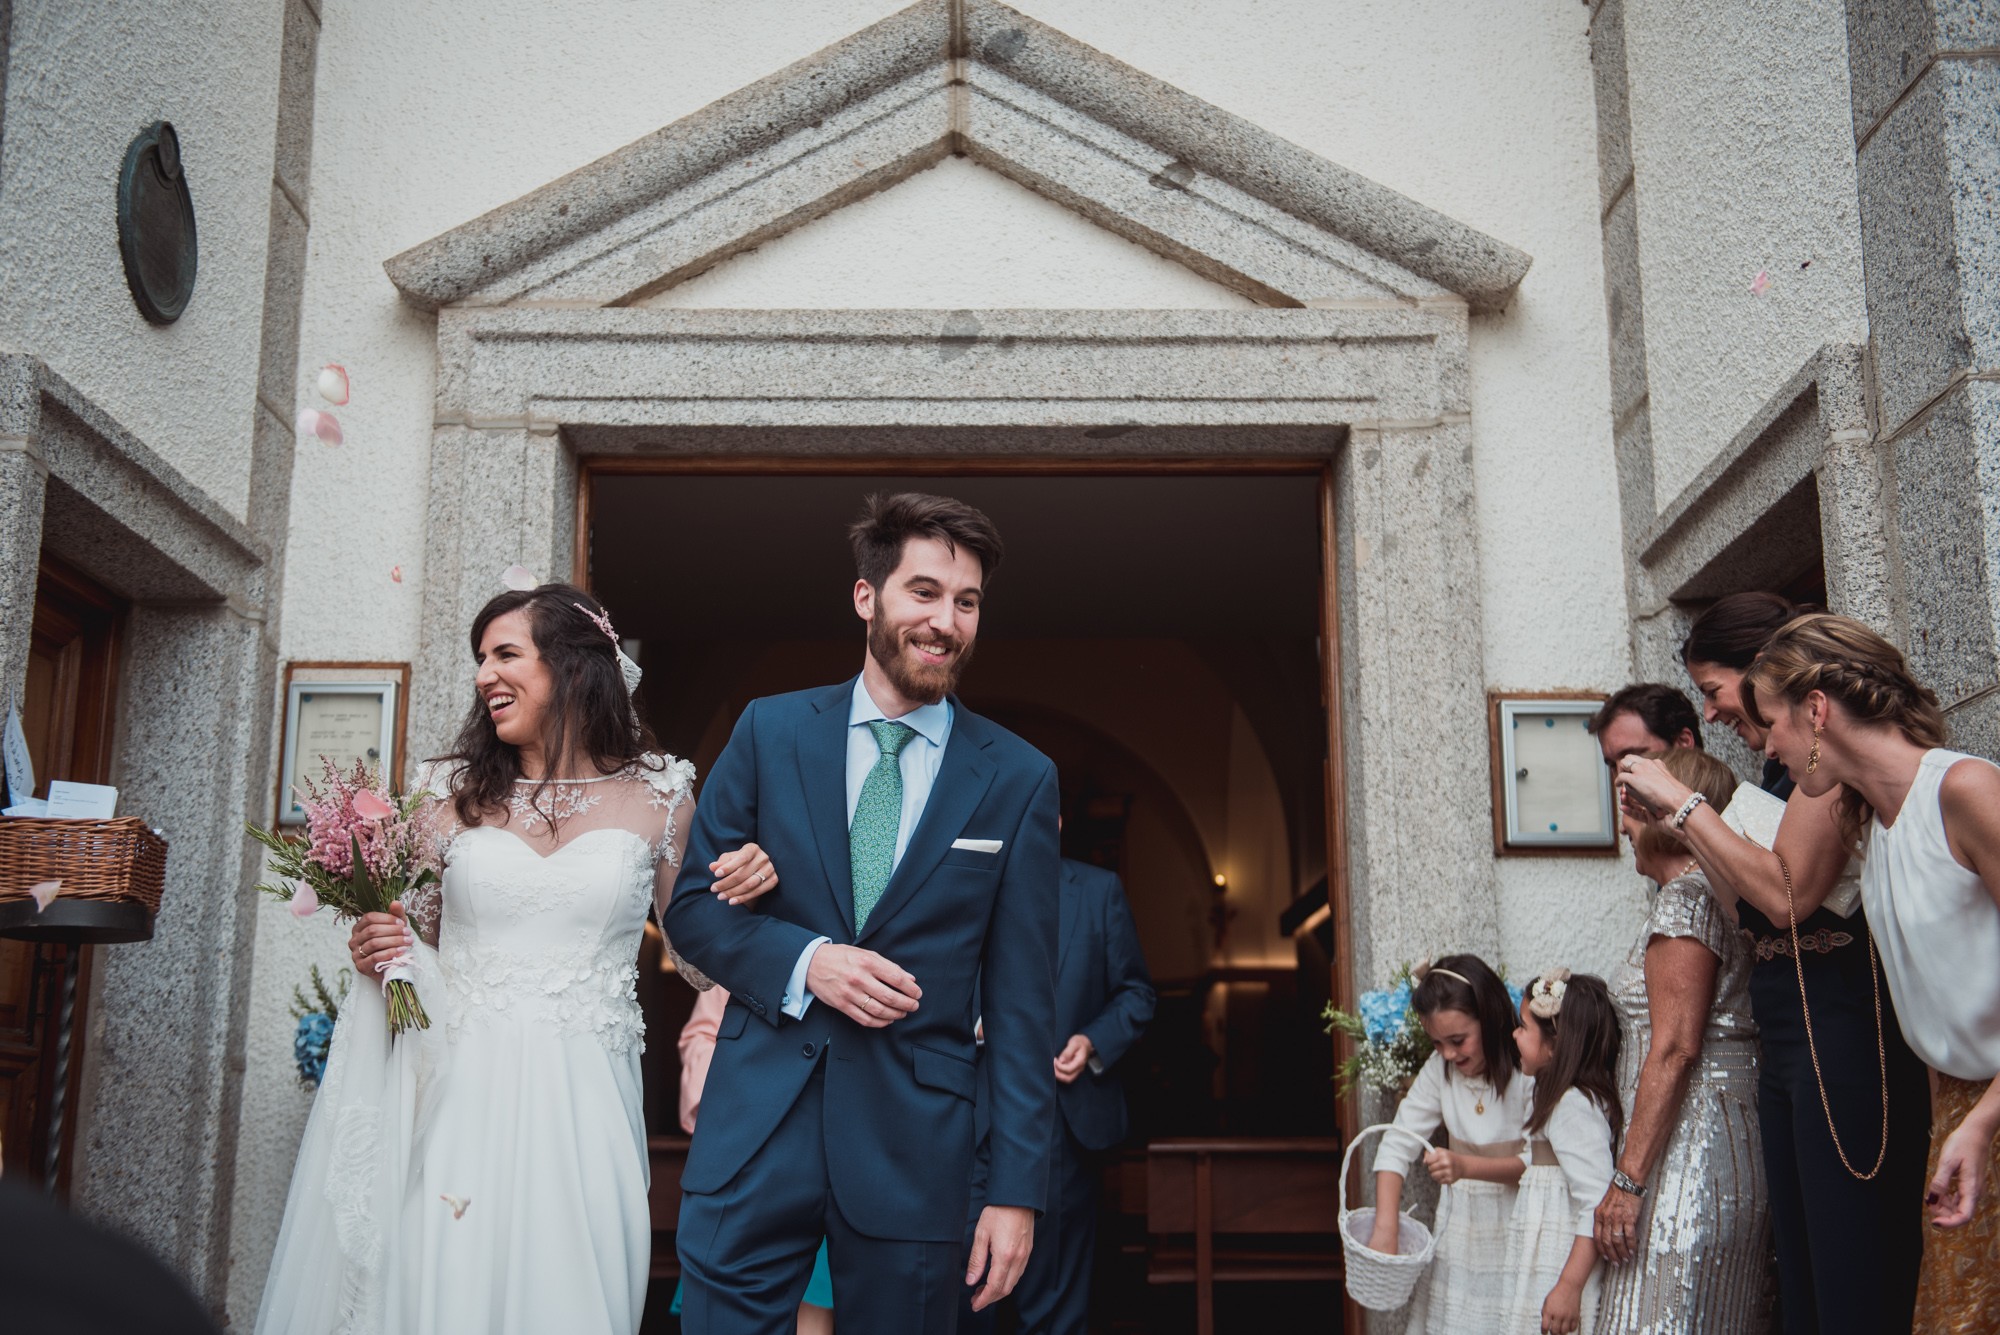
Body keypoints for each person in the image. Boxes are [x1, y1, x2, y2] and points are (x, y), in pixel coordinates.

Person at [257, 581, 777, 1335]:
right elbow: (415, 937)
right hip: (460, 1091)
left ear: (572, 667)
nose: (483, 674)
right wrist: (380, 949)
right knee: (444, 1285)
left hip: (586, 1100)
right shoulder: (446, 793)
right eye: (479, 658)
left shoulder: (661, 795)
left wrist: (746, 894)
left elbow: (699, 959)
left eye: (505, 654)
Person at [662, 493, 1061, 1335]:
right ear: (867, 596)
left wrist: (1017, 1191)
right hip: (753, 1136)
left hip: (915, 1155)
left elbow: (1024, 1009)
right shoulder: (771, 732)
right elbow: (692, 910)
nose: (945, 620)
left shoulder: (1019, 778)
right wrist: (809, 962)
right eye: (924, 592)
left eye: (967, 601)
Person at [1618, 592, 1928, 1335]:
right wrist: (1689, 830)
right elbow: (1749, 913)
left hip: (1837, 1023)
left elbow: (1787, 895)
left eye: (1715, 691)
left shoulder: (1823, 771)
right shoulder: (1786, 773)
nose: (1714, 712)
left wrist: (1689, 804)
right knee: (1804, 1272)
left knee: (1848, 1261)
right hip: (1786, 1030)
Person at [1746, 612, 2000, 1334]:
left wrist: (1980, 1122)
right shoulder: (1874, 828)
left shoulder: (1965, 789)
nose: (1768, 744)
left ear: (1817, 710)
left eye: (1773, 722)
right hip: (1962, 1113)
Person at [1594, 747, 1771, 1333]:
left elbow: (1674, 1048)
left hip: (1689, 1151)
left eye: (1632, 809)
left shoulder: (1687, 901)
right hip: (1707, 1137)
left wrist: (1627, 1182)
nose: (1623, 824)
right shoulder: (1710, 893)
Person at [960, 853, 1157, 1335]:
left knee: (1056, 1298)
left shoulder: (1099, 891)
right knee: (966, 1286)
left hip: (1064, 1126)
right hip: (969, 1115)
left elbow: (1136, 993)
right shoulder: (964, 877)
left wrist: (1093, 1042)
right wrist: (969, 1021)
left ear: (1059, 819)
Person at [1368, 953, 1531, 1333]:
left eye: (1458, 1040)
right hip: (1461, 1230)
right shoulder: (1440, 1071)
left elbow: (1539, 1164)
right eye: (1437, 1043)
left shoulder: (1529, 1071)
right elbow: (1397, 1143)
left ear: (1489, 1019)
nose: (1448, 1054)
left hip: (1520, 1220)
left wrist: (1466, 1167)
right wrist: (1385, 1226)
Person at [676, 988, 834, 1335]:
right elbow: (700, 1035)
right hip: (757, 1148)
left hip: (849, 1154)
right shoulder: (754, 935)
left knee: (823, 1305)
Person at [1502, 970, 1620, 1335]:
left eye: (1523, 1027)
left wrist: (1569, 1287)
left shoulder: (1573, 1106)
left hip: (1563, 1262)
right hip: (1545, 1257)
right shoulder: (1552, 1097)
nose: (1514, 1035)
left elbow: (1597, 1201)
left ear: (1554, 1046)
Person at [1588, 682, 1703, 768]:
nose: (1621, 778)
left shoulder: (1717, 799)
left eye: (1632, 759)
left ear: (1683, 743)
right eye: (1613, 766)